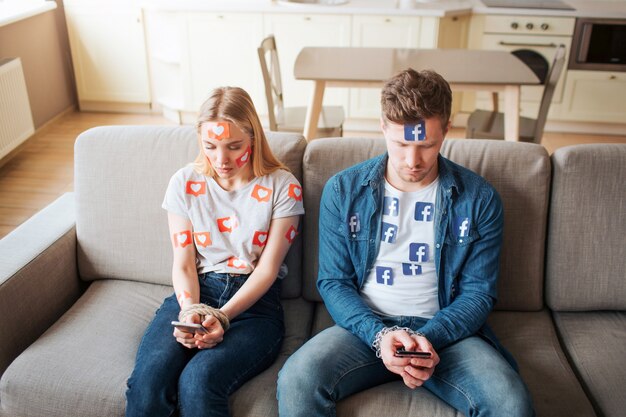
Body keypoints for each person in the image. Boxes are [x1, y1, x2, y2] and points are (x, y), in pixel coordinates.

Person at [277, 69, 533, 416]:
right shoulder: (343, 191)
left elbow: (478, 293)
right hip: (365, 329)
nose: (413, 161)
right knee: (298, 380)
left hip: (445, 333)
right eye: (401, 144)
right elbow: (333, 282)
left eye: (426, 145)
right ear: (382, 126)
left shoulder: (479, 199)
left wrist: (427, 342)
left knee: (510, 401)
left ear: (446, 129)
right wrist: (381, 338)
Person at [125, 86, 304, 417]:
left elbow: (266, 271)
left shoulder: (283, 186)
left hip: (254, 306)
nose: (222, 160)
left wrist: (222, 315)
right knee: (148, 385)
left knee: (199, 382)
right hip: (197, 291)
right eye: (210, 146)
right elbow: (183, 264)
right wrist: (190, 309)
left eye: (234, 146)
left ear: (253, 137)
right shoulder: (184, 183)